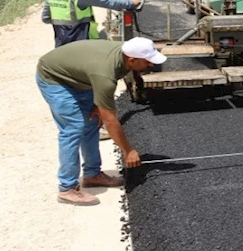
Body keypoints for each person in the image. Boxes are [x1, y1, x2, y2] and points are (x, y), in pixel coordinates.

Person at [36, 37, 165, 206]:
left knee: (92, 123)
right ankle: (67, 188)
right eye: (148, 62)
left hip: (82, 78)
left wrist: (100, 104)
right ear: (132, 60)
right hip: (54, 78)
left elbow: (101, 85)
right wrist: (128, 151)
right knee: (73, 128)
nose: (151, 65)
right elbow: (110, 120)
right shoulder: (105, 73)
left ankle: (92, 175)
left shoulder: (123, 56)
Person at [43, 0, 140, 140]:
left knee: (72, 86)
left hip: (62, 47)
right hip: (83, 46)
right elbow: (109, 3)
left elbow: (46, 18)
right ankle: (99, 127)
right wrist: (131, 3)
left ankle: (78, 122)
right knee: (90, 87)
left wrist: (65, 24)